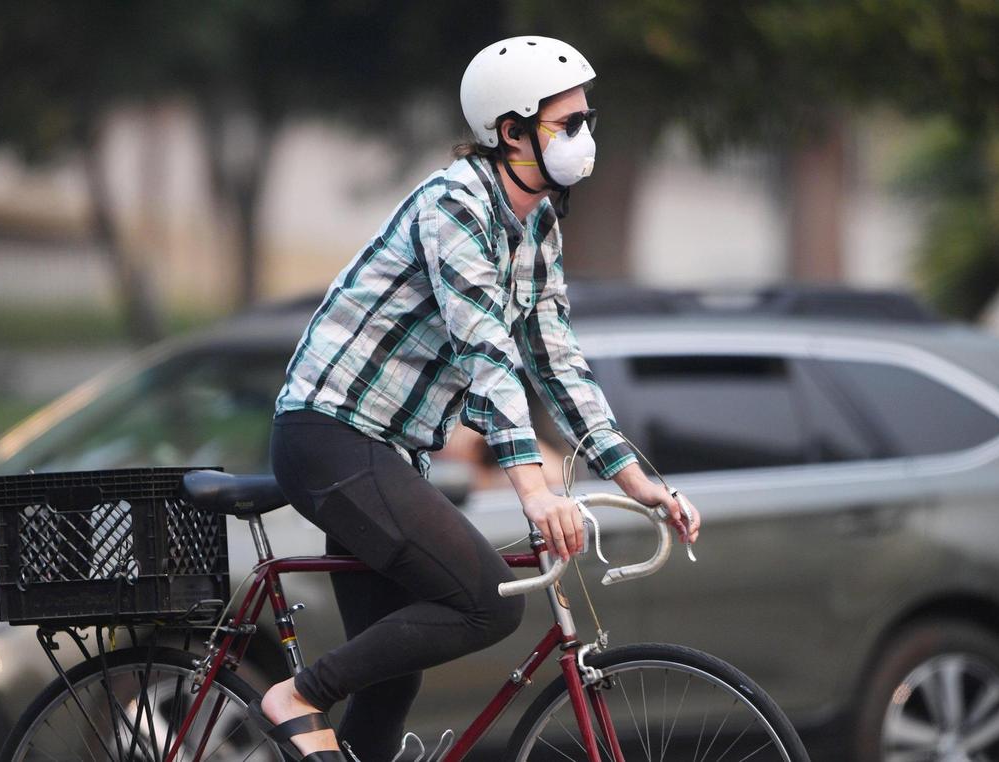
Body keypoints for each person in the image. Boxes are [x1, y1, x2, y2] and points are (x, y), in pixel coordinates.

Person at [259, 35, 701, 762]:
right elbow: (486, 349)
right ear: (511, 132)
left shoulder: (538, 225)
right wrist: (533, 490)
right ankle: (297, 695)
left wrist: (637, 480)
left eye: (589, 120)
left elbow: (556, 361)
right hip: (329, 436)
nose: (585, 139)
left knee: (393, 681)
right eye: (570, 124)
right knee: (483, 601)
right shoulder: (455, 204)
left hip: (386, 451)